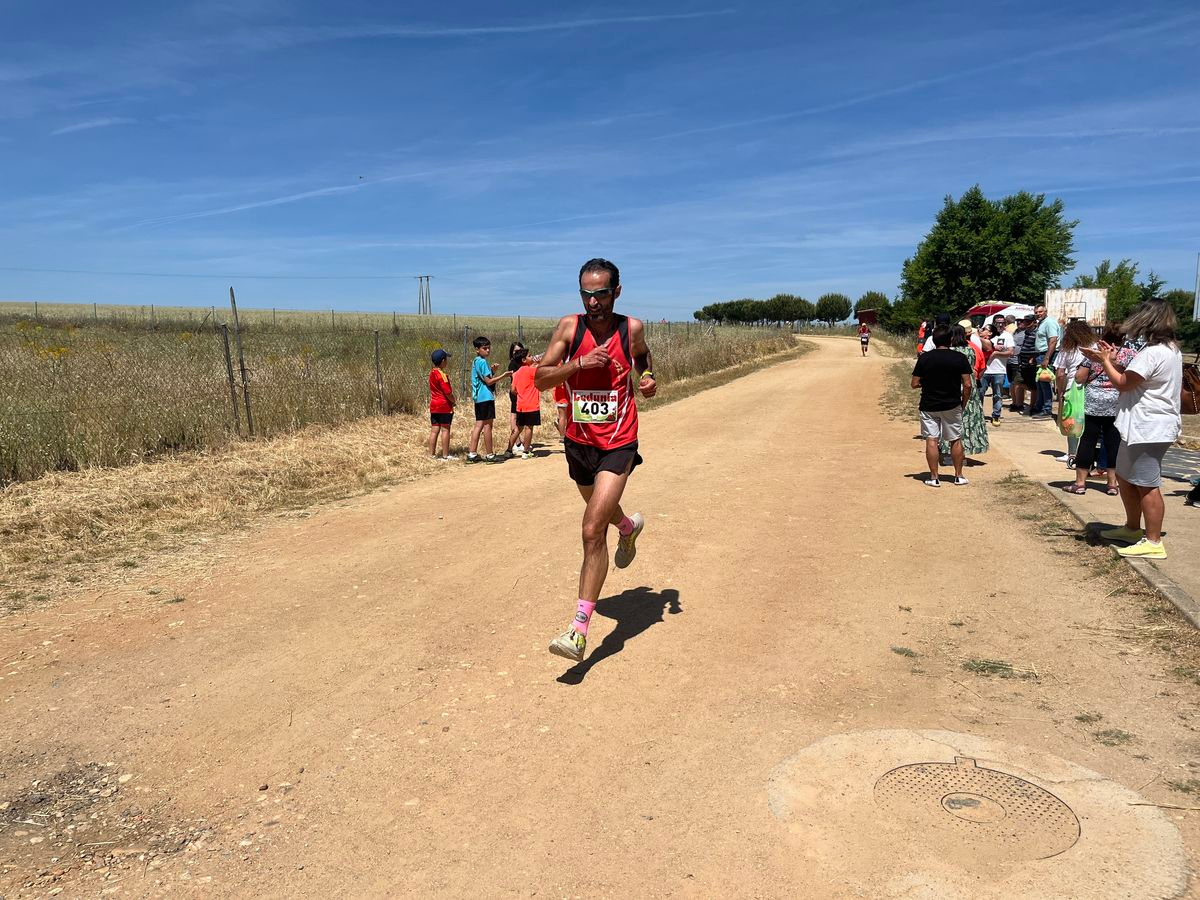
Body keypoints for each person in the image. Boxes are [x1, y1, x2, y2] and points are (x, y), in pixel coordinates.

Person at [535, 258, 656, 662]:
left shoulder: (630, 328)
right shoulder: (569, 329)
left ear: (616, 292)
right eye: (586, 294)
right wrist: (579, 364)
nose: (593, 302)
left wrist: (646, 377)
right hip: (579, 441)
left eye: (601, 294)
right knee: (599, 512)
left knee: (591, 529)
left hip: (619, 440)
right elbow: (541, 378)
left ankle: (578, 631)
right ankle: (628, 527)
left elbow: (643, 357)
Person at [1082, 300, 1183, 559]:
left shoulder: (1153, 352)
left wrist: (1104, 361)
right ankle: (1131, 528)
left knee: (1147, 484)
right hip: (1144, 425)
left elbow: (1123, 384)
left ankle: (1153, 541)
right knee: (1126, 477)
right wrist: (1113, 361)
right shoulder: (1166, 349)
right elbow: (1136, 379)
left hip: (1149, 426)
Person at [1065, 324, 1132, 496]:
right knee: (1113, 443)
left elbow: (1079, 378)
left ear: (1104, 335)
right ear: (1123, 337)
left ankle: (1080, 483)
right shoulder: (1129, 354)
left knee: (1087, 441)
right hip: (1117, 403)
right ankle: (1112, 484)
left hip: (1093, 403)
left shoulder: (1094, 353)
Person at [912, 324, 973, 487]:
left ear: (933, 340)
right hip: (952, 404)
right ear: (951, 339)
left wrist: (927, 383)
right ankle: (959, 476)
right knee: (955, 440)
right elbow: (968, 384)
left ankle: (934, 477)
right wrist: (963, 402)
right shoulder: (959, 358)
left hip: (929, 404)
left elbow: (914, 383)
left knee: (932, 440)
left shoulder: (924, 358)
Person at [939, 325, 989, 464]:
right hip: (970, 386)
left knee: (952, 421)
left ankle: (951, 455)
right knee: (968, 421)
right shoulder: (971, 349)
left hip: (955, 386)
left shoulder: (952, 351)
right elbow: (981, 367)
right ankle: (964, 453)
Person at [1054, 320, 1095, 466]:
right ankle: (1088, 453)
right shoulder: (1094, 347)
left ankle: (1072, 453)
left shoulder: (1067, 349)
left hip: (1072, 387)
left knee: (1071, 420)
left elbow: (1060, 373)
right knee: (1088, 421)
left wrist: (1060, 391)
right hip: (1090, 387)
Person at [467, 336, 512, 463]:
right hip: (486, 397)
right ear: (477, 349)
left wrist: (492, 371)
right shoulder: (482, 362)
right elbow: (489, 381)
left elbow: (485, 377)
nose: (487, 350)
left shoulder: (476, 361)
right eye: (484, 348)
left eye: (488, 348)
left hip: (479, 398)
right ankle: (489, 454)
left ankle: (472, 453)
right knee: (487, 426)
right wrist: (503, 375)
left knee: (479, 425)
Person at [1029, 304, 1061, 418]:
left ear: (1045, 311)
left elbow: (1053, 340)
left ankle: (1047, 409)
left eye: (1040, 312)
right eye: (1036, 312)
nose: (1038, 314)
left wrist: (1047, 358)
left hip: (1047, 354)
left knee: (1045, 382)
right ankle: (1039, 406)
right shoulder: (1041, 323)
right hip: (1040, 354)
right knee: (1040, 382)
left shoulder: (1049, 322)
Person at [981, 322, 1016, 424]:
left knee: (997, 394)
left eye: (1002, 323)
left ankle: (996, 415)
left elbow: (1011, 352)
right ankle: (979, 415)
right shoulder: (980, 339)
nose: (1000, 325)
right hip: (984, 370)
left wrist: (996, 353)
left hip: (999, 371)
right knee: (980, 393)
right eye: (997, 322)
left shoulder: (1007, 336)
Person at [511, 351, 542, 459]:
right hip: (531, 405)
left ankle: (509, 449)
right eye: (529, 356)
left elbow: (513, 390)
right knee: (529, 428)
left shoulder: (516, 373)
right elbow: (542, 374)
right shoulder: (532, 371)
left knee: (518, 428)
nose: (532, 357)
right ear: (523, 360)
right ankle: (526, 451)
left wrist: (521, 393)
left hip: (520, 405)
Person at [427, 348, 455, 460]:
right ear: (443, 361)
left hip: (434, 405)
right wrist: (453, 401)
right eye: (446, 359)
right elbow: (448, 392)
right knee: (445, 429)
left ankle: (431, 454)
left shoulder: (432, 373)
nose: (447, 361)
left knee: (434, 430)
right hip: (444, 405)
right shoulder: (442, 375)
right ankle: (445, 455)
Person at [503, 341, 526, 457]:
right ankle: (517, 443)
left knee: (519, 417)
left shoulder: (522, 363)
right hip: (515, 392)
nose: (518, 353)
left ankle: (519, 441)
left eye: (520, 351)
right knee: (514, 416)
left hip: (523, 392)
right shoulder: (513, 364)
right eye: (515, 351)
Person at [1015, 314, 1041, 415]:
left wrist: (1034, 358)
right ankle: (1019, 404)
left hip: (1031, 362)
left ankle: (1032, 406)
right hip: (1022, 361)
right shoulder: (1023, 333)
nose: (1026, 323)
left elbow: (1038, 347)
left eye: (1028, 322)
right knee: (1019, 382)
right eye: (1025, 321)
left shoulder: (1037, 333)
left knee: (1033, 386)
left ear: (1034, 322)